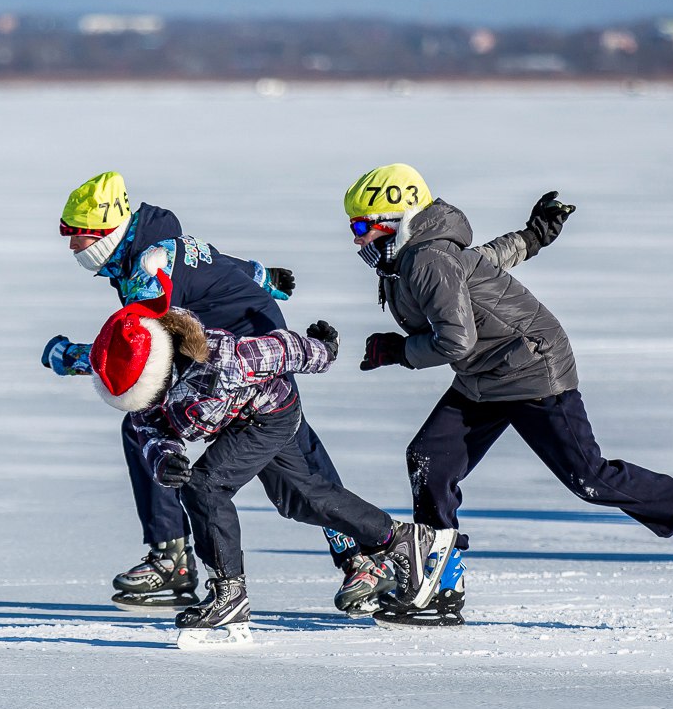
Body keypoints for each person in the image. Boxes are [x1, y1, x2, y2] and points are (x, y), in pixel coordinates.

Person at [343, 163, 673, 626]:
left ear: (396, 220)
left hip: (531, 368)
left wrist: (400, 350)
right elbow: (483, 261)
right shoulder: (419, 255)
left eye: (362, 226)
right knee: (430, 460)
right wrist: (533, 237)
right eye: (352, 227)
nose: (357, 239)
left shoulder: (426, 259)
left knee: (589, 477)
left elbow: (455, 340)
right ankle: (441, 581)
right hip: (486, 374)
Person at [85, 270, 456, 647]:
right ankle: (402, 538)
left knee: (205, 487)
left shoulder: (222, 358)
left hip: (271, 414)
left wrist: (323, 348)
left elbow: (282, 350)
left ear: (162, 370)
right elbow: (147, 429)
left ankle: (229, 593)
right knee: (300, 500)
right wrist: (165, 459)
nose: (146, 404)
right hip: (236, 424)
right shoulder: (144, 391)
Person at [42, 171, 361, 609]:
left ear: (105, 232)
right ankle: (172, 556)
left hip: (245, 356)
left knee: (293, 476)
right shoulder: (155, 245)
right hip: (234, 342)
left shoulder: (144, 271)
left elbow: (143, 354)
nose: (72, 247)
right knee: (282, 465)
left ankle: (363, 555)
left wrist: (72, 358)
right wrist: (264, 277)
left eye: (76, 236)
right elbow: (217, 263)